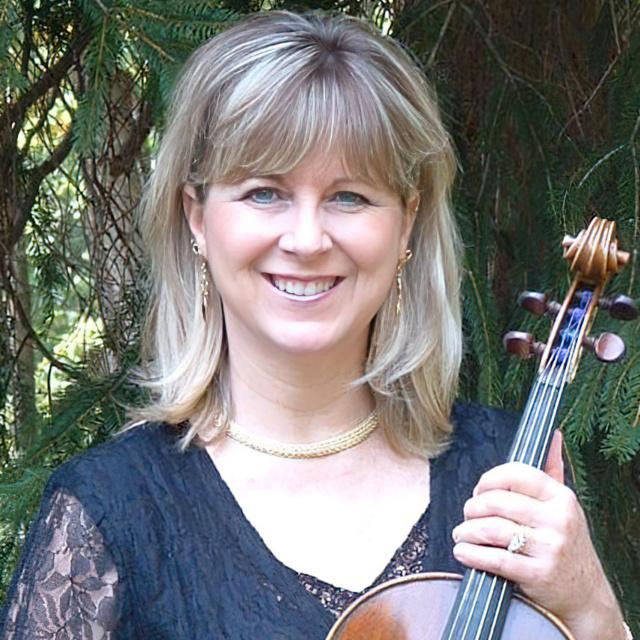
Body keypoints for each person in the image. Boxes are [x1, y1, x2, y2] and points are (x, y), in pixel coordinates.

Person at [0, 10, 631, 640]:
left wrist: (591, 608)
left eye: (349, 196)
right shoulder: (111, 511)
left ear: (406, 223)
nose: (306, 240)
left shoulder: (502, 471)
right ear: (197, 217)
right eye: (264, 193)